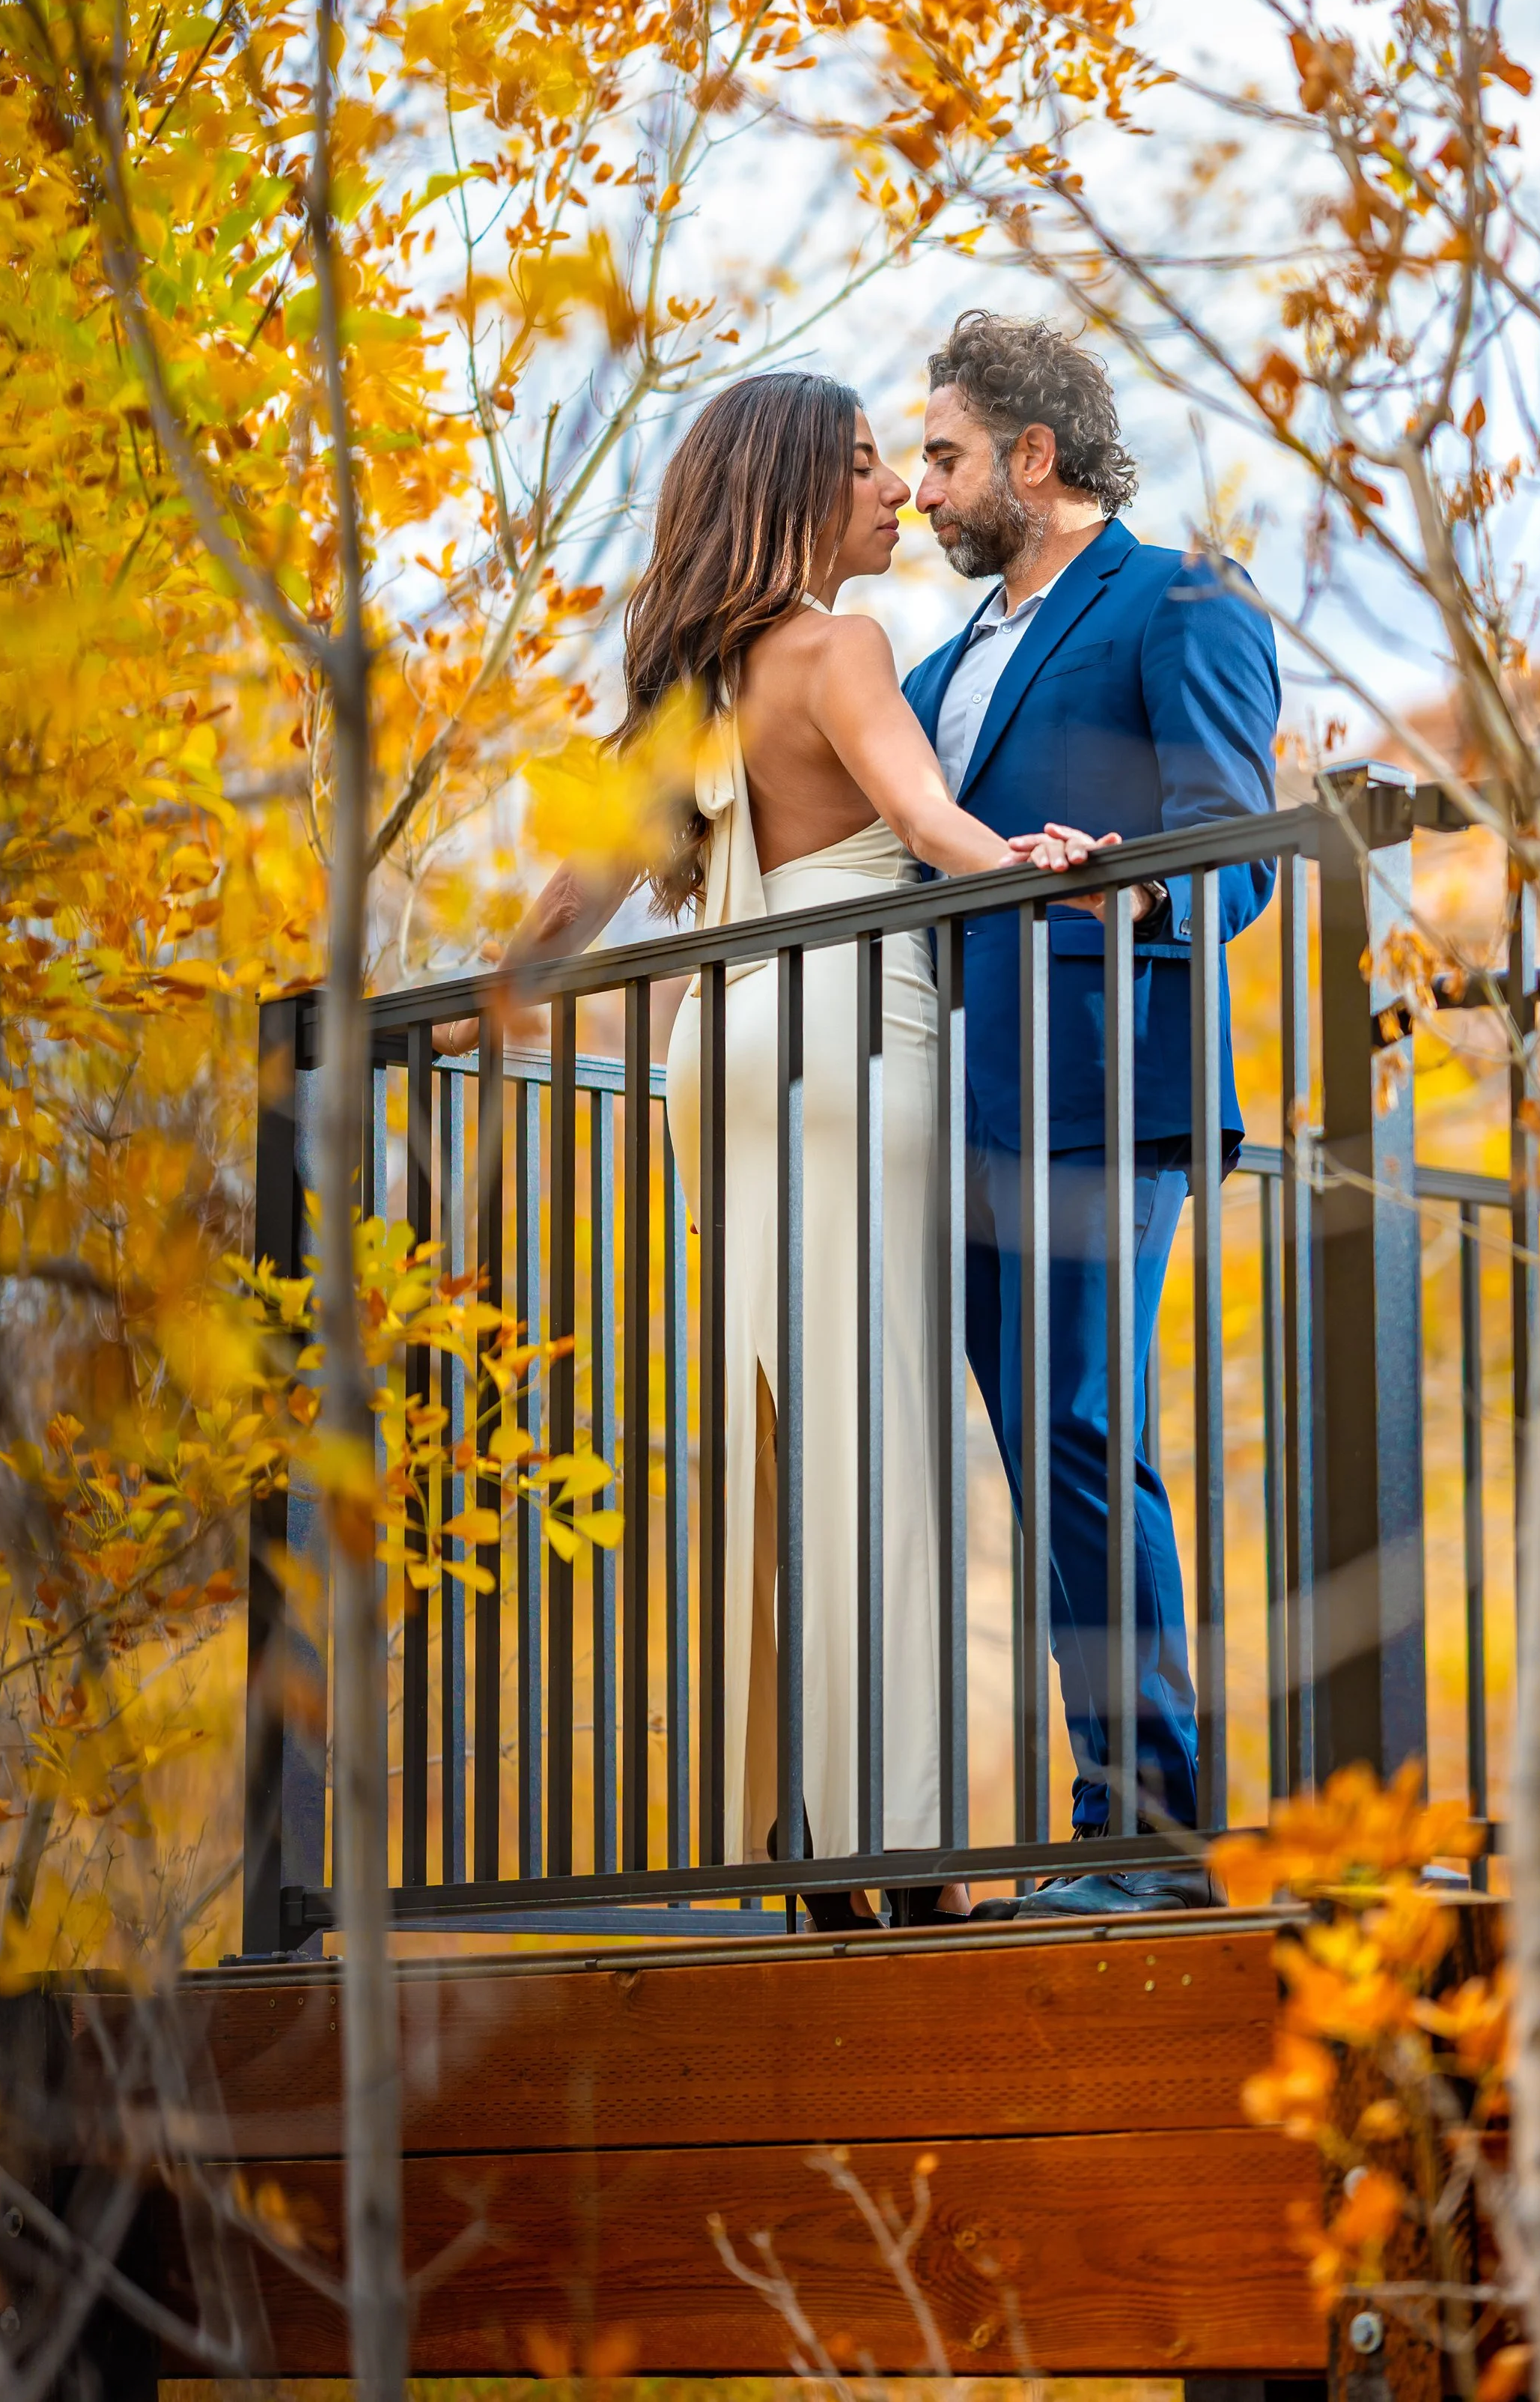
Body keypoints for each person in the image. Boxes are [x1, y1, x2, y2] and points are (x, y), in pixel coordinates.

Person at [441, 368, 1097, 1930]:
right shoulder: (837, 645)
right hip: (850, 1034)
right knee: (890, 1451)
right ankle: (904, 1847)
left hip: (719, 1050)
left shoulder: (694, 693)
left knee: (792, 1445)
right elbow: (922, 817)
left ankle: (812, 1837)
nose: (893, 494)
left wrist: (461, 1022)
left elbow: (563, 910)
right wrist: (1022, 862)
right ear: (798, 491)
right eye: (865, 468)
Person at [902, 311, 1281, 1920]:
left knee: (1081, 1432)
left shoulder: (1177, 604)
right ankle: (1101, 1819)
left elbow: (1237, 849)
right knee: (1030, 1452)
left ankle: (1141, 1837)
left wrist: (1105, 899)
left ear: (1031, 459)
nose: (918, 488)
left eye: (940, 454)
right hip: (954, 1104)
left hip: (1102, 1086)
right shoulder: (931, 668)